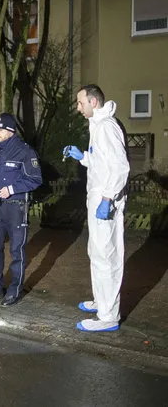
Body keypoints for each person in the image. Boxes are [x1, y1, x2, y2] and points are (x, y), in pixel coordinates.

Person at [64, 84, 129, 332]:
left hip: (105, 202)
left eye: (80, 103)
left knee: (106, 258)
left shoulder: (107, 128)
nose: (78, 108)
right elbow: (101, 163)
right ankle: (101, 301)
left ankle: (108, 316)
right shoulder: (97, 127)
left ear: (93, 101)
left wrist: (108, 198)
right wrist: (82, 156)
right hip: (98, 200)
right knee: (97, 253)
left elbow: (120, 167)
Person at [0, 113, 42, 307]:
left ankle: (14, 291)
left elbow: (35, 179)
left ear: (10, 131)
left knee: (16, 251)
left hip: (15, 207)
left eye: (0, 130)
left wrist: (12, 189)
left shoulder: (25, 152)